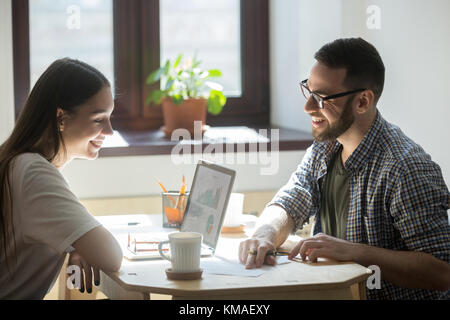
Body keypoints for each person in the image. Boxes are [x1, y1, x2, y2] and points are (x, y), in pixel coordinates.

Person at [239, 38, 450, 300]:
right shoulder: (326, 147)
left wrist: (354, 252)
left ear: (362, 101)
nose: (307, 108)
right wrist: (265, 234)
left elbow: (441, 272)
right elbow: (292, 199)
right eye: (308, 90)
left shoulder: (405, 167)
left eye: (322, 97)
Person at [0, 58, 123, 299]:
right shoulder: (33, 173)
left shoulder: (20, 162)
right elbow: (111, 256)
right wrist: (83, 245)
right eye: (99, 119)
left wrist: (74, 243)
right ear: (61, 119)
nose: (109, 131)